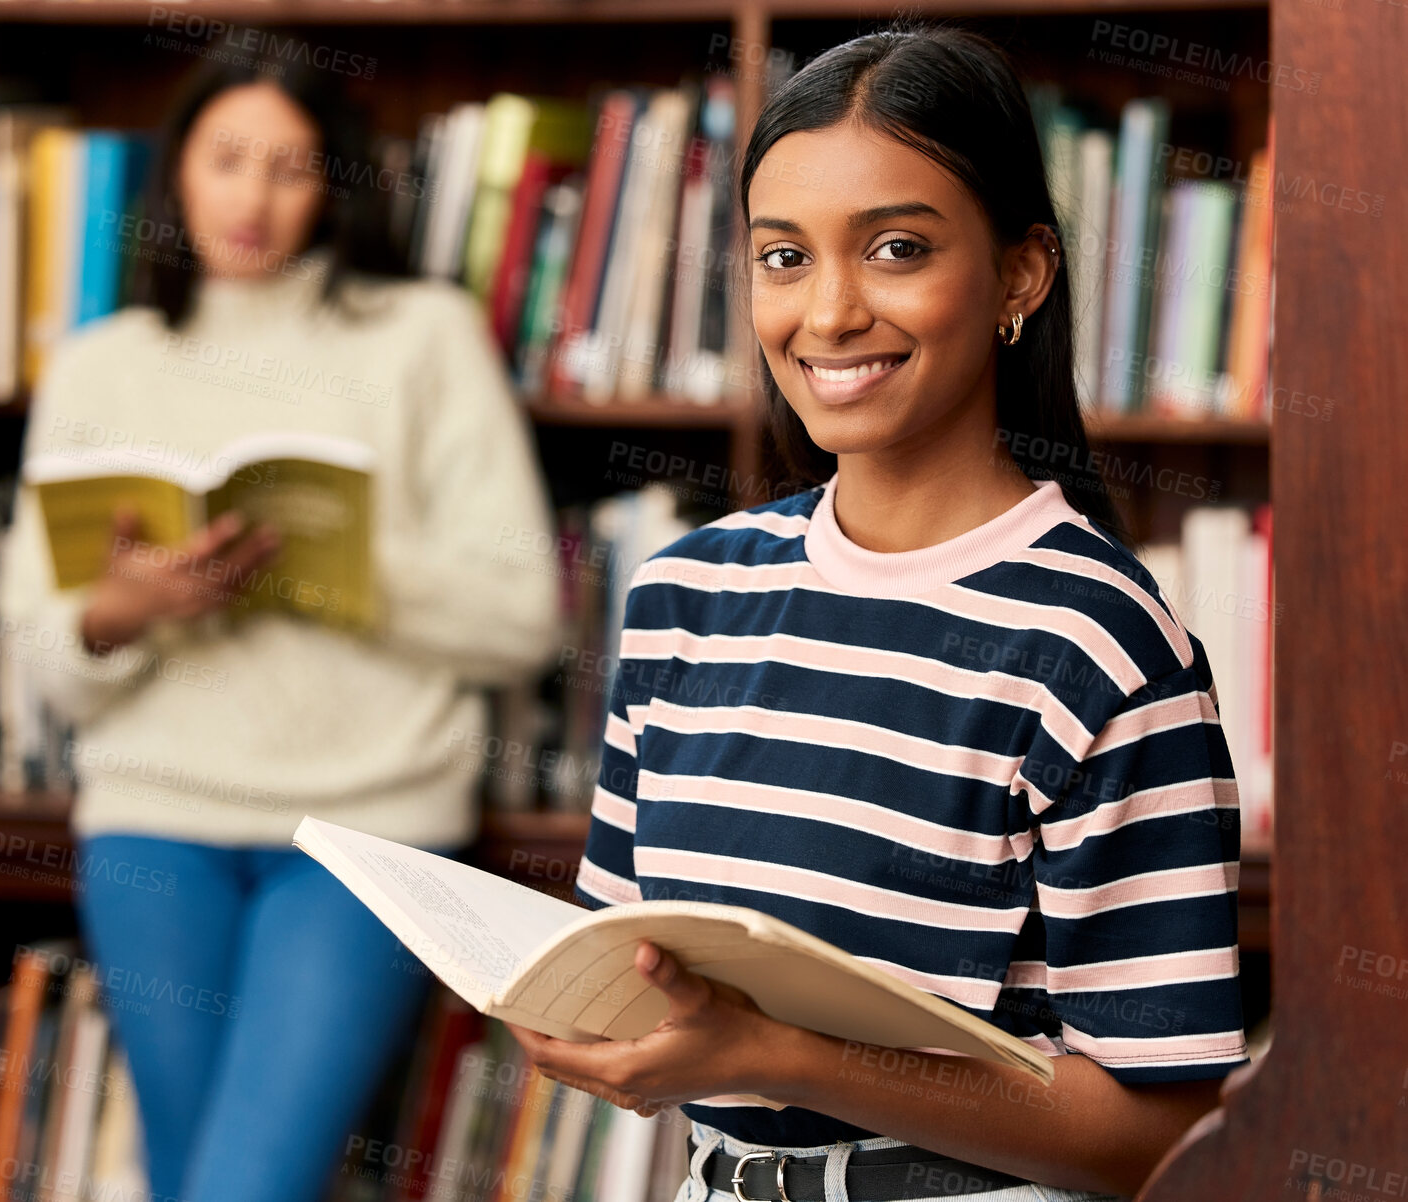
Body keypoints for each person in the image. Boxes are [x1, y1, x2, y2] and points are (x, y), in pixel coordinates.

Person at [505, 25, 1248, 1202]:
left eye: (896, 248)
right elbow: (618, 969)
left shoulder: (1099, 642)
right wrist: (595, 1027)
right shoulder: (682, 599)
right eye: (783, 257)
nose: (830, 312)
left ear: (1020, 274)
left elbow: (1158, 1124)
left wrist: (773, 1054)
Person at [0, 39, 561, 1202]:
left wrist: (327, 571)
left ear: (336, 185)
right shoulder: (100, 366)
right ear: (176, 173)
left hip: (364, 830)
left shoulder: (425, 336)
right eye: (226, 160)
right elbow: (42, 662)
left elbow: (524, 618)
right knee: (187, 1177)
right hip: (152, 822)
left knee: (248, 1185)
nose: (252, 197)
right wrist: (125, 610)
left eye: (290, 167)